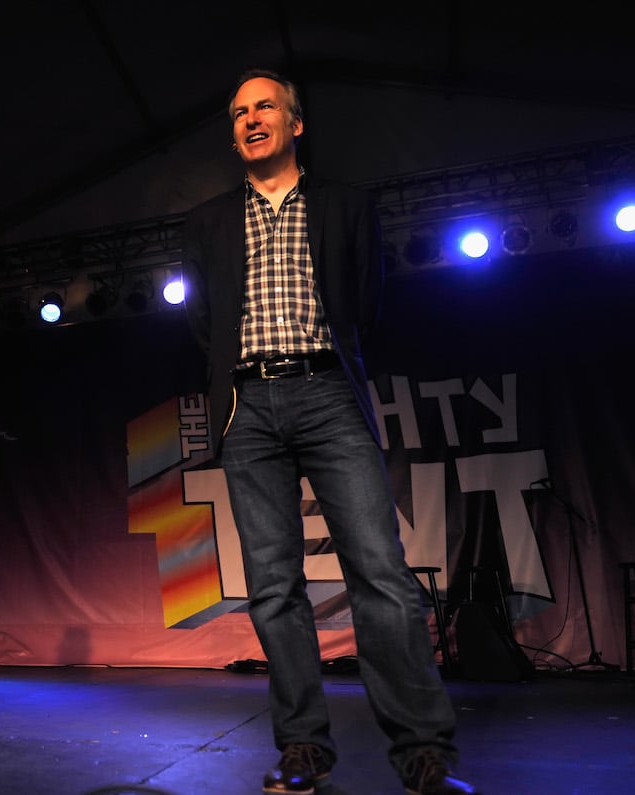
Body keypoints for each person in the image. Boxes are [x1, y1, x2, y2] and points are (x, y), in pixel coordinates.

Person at [180, 69, 478, 795]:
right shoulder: (207, 221)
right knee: (273, 587)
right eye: (239, 113)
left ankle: (423, 754)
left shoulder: (345, 204)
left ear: (296, 122)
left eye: (265, 107)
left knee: (380, 572)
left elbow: (366, 304)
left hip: (329, 392)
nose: (251, 119)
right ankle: (303, 750)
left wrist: (322, 367)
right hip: (247, 405)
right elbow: (204, 323)